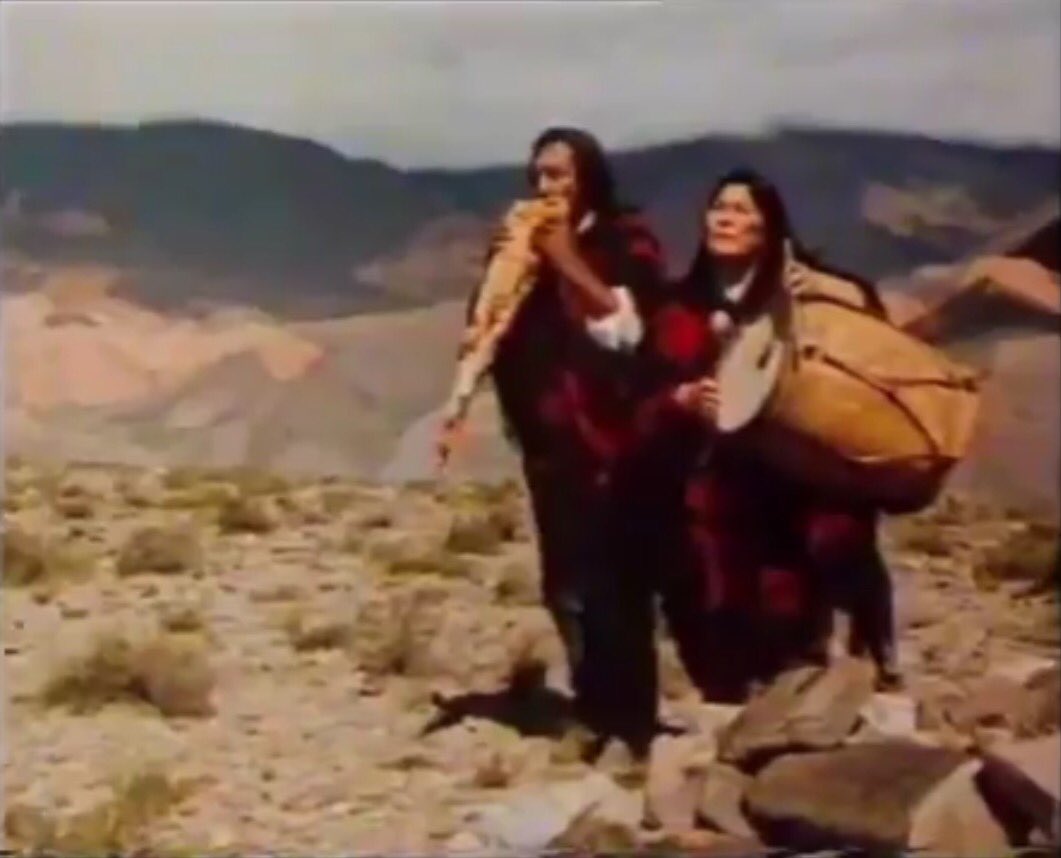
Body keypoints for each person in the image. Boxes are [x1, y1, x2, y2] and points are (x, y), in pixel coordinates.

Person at [635, 167, 901, 700]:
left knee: (833, 537)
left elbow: (867, 334)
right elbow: (642, 391)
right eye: (719, 208)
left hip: (803, 458)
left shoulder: (807, 288)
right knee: (720, 564)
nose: (726, 219)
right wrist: (681, 400)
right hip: (720, 468)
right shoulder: (677, 308)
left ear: (769, 226)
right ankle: (745, 683)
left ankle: (859, 652)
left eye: (741, 210)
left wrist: (822, 292)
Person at [471, 126, 673, 758]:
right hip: (550, 442)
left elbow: (631, 330)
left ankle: (631, 719)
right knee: (565, 581)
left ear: (588, 177)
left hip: (615, 443)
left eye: (558, 174)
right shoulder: (526, 243)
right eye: (538, 175)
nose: (545, 186)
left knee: (617, 583)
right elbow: (496, 327)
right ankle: (593, 704)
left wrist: (564, 258)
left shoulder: (626, 241)